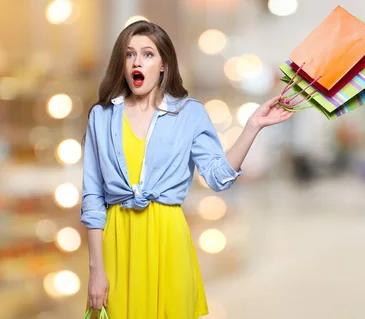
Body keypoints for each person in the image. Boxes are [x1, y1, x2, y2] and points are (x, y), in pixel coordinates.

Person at [81, 21, 293, 318]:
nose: (137, 62)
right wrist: (96, 269)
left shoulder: (189, 114)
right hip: (118, 242)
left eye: (148, 54)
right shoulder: (101, 117)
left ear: (164, 64)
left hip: (170, 241)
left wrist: (252, 127)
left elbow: (219, 178)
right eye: (130, 55)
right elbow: (92, 198)